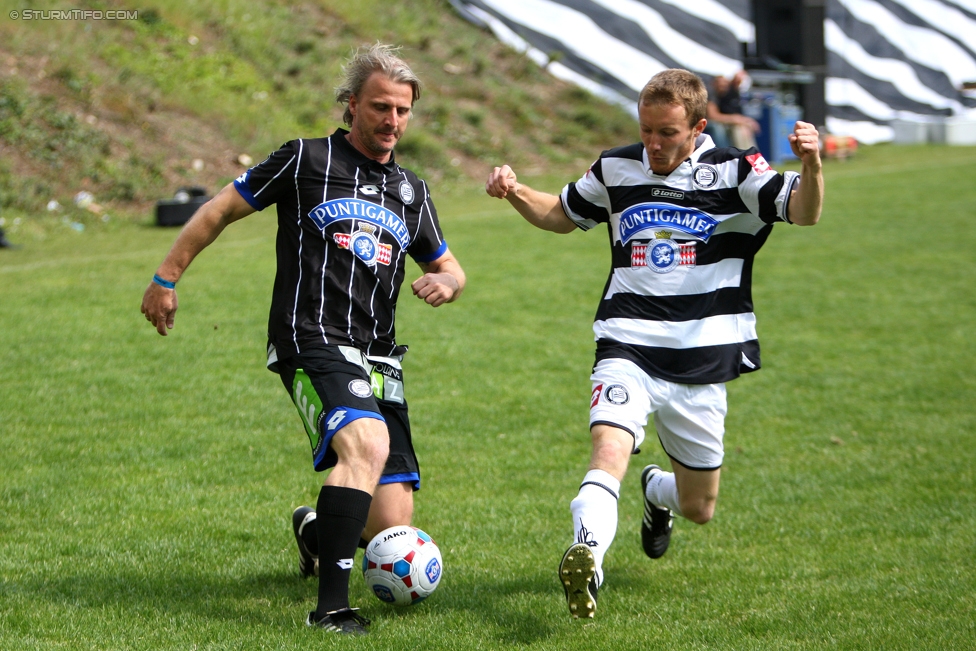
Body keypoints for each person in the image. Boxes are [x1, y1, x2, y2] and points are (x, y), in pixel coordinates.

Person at [141, 44, 466, 636]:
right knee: (364, 447)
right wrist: (166, 277)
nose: (391, 121)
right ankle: (331, 609)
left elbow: (451, 267)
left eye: (402, 110)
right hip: (310, 337)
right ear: (349, 106)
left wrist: (446, 281)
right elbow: (217, 210)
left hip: (379, 356)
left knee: (390, 520)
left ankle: (315, 530)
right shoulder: (304, 160)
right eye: (379, 107)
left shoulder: (413, 191)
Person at [485, 68, 823, 619]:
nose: (654, 144)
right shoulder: (616, 166)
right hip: (628, 342)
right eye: (646, 130)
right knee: (608, 446)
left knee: (699, 507)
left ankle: (657, 492)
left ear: (697, 126)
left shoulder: (737, 170)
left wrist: (810, 164)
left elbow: (805, 211)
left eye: (667, 132)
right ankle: (588, 554)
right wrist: (514, 189)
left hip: (702, 355)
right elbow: (564, 215)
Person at [705, 70, 760, 150]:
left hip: (727, 124)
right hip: (710, 124)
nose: (723, 86)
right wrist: (736, 119)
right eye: (720, 83)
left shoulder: (729, 95)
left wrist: (744, 121)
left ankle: (752, 157)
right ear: (714, 83)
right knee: (735, 129)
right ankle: (739, 156)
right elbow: (713, 116)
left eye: (725, 84)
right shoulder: (710, 95)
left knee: (742, 128)